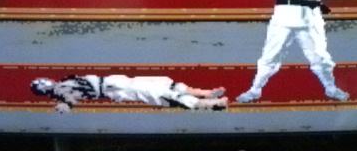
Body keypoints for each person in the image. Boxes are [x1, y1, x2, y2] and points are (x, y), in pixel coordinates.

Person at [31, 75, 228, 112]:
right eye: (41, 85)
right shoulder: (60, 90)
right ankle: (210, 104)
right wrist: (64, 106)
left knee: (163, 82)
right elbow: (69, 100)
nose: (45, 82)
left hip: (114, 82)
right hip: (113, 88)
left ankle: (206, 94)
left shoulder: (62, 83)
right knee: (157, 91)